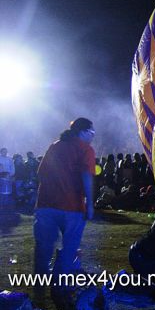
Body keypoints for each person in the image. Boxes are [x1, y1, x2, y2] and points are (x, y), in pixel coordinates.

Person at [34, 118, 96, 286]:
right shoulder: (85, 149)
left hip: (46, 204)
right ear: (82, 132)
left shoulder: (55, 146)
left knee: (44, 246)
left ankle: (40, 282)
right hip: (72, 206)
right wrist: (90, 204)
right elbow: (86, 177)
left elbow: (40, 174)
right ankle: (60, 283)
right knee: (69, 246)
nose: (93, 137)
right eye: (92, 133)